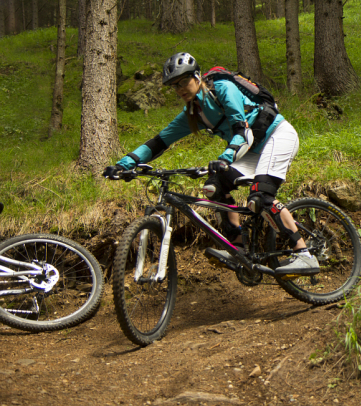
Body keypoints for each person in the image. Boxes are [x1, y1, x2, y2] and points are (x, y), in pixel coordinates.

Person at [103, 52, 319, 276]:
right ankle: (238, 249)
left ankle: (304, 254)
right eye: (174, 87)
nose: (180, 89)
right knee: (213, 188)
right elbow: (159, 141)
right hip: (251, 150)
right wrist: (125, 164)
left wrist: (225, 158)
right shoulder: (193, 113)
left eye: (183, 82)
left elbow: (242, 131)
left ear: (197, 77)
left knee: (261, 197)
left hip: (276, 136)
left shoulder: (224, 88)